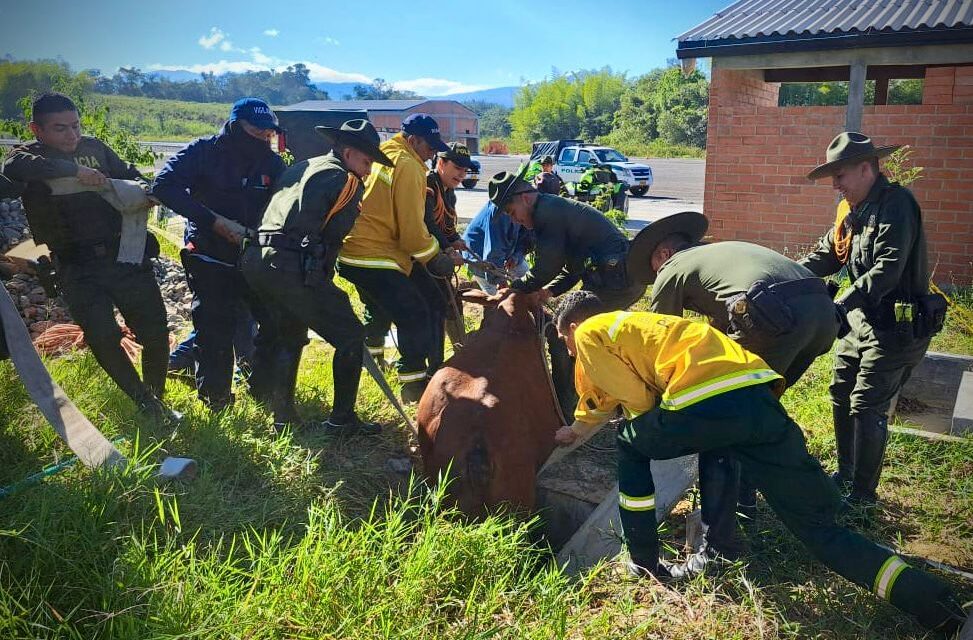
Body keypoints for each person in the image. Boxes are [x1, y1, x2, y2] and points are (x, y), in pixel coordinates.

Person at [551, 290, 968, 636]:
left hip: (704, 401)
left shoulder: (590, 331)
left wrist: (641, 429)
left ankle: (643, 560)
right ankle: (939, 606)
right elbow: (600, 398)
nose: (570, 353)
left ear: (572, 327)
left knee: (630, 444)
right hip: (759, 399)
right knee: (822, 531)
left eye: (564, 343)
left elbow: (637, 401)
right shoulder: (649, 327)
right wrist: (577, 428)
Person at [639, 210, 841, 568]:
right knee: (757, 410)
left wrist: (658, 410)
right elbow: (719, 333)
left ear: (662, 255)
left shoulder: (672, 270)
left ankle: (718, 548)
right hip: (822, 314)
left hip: (772, 314)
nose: (656, 274)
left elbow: (662, 342)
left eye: (653, 266)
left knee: (720, 421)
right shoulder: (719, 259)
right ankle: (750, 502)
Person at [1, 92, 174, 422]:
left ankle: (156, 398)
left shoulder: (95, 148)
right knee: (103, 337)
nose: (72, 135)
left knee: (154, 332)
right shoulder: (28, 156)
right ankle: (143, 402)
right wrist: (73, 171)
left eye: (76, 126)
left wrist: (143, 190)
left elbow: (130, 173)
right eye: (60, 128)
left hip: (124, 256)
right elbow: (13, 167)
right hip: (75, 265)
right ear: (36, 130)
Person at [799, 132, 945, 506]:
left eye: (841, 175)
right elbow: (827, 255)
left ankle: (863, 498)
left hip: (897, 327)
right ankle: (845, 475)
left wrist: (840, 305)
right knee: (840, 391)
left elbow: (886, 271)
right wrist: (784, 274)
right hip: (861, 321)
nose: (835, 185)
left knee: (866, 405)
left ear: (866, 168)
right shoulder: (852, 211)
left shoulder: (898, 204)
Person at [241, 119, 393, 433]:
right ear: (349, 153)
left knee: (288, 333)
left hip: (256, 258)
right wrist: (320, 280)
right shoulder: (347, 181)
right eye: (366, 162)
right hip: (291, 263)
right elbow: (332, 238)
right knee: (350, 334)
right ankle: (343, 420)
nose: (367, 171)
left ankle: (281, 415)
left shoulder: (302, 166)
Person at [152, 98, 286, 411]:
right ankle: (217, 401)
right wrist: (214, 222)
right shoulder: (203, 151)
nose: (264, 138)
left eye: (269, 134)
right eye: (257, 131)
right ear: (236, 125)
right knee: (213, 329)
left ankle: (262, 388)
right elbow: (164, 185)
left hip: (253, 256)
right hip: (208, 253)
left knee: (269, 323)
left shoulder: (271, 163)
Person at [337, 113, 457, 403]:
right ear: (413, 140)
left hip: (356, 250)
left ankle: (425, 367)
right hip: (375, 254)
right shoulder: (409, 167)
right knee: (415, 312)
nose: (431, 155)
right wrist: (437, 258)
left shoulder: (387, 153)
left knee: (424, 300)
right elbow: (412, 233)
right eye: (429, 148)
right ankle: (414, 386)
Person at [486, 170, 643, 310]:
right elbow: (574, 268)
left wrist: (515, 288)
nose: (514, 220)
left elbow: (548, 267)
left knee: (576, 326)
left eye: (512, 212)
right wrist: (548, 291)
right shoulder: (550, 207)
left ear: (525, 198)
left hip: (616, 278)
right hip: (625, 278)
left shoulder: (546, 213)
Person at [423, 141, 477, 352]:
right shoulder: (428, 184)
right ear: (441, 163)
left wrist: (455, 239)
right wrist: (448, 248)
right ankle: (437, 357)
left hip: (438, 252)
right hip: (423, 255)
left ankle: (459, 347)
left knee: (450, 299)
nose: (462, 175)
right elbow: (427, 222)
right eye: (457, 168)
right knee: (437, 304)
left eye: (465, 170)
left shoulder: (449, 191)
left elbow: (445, 224)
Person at [462, 201, 531, 296]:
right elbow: (494, 251)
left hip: (502, 252)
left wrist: (516, 257)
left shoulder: (528, 209)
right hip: (478, 253)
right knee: (495, 298)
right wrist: (500, 280)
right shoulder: (501, 212)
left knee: (526, 276)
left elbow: (525, 238)